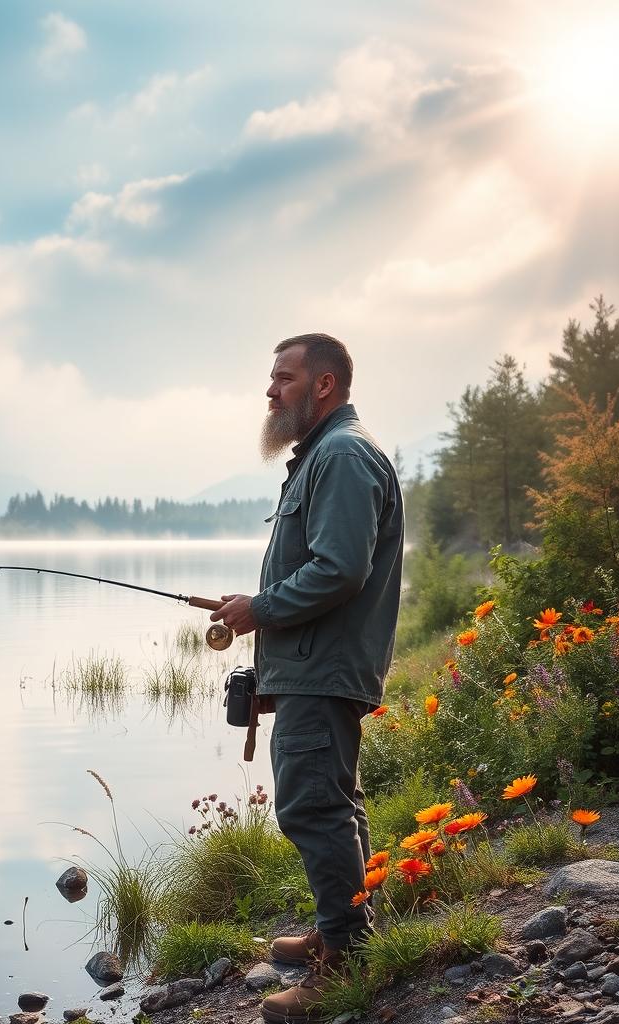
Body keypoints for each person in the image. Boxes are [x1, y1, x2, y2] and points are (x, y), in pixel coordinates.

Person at [210, 333, 404, 1022]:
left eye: (284, 378)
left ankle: (345, 962)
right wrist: (259, 612)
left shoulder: (344, 456)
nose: (271, 390)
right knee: (335, 801)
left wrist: (258, 609)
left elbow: (339, 569)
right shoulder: (326, 455)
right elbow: (322, 567)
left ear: (323, 385)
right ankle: (343, 930)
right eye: (272, 378)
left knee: (312, 807)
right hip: (314, 667)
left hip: (324, 670)